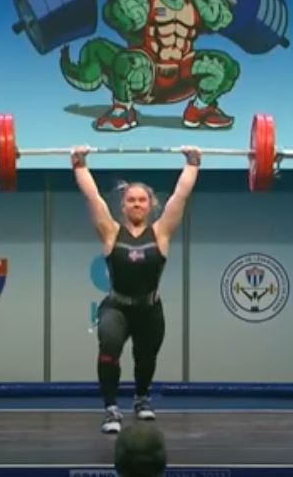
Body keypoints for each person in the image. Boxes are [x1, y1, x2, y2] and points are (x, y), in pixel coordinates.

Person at [71, 144, 200, 434]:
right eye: (131, 200)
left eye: (142, 200)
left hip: (149, 309)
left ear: (150, 204)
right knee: (109, 348)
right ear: (123, 206)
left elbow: (180, 195)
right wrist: (79, 163)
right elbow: (92, 197)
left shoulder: (161, 232)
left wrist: (192, 163)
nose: (137, 204)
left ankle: (141, 399)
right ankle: (111, 409)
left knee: (146, 358)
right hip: (116, 307)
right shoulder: (110, 232)